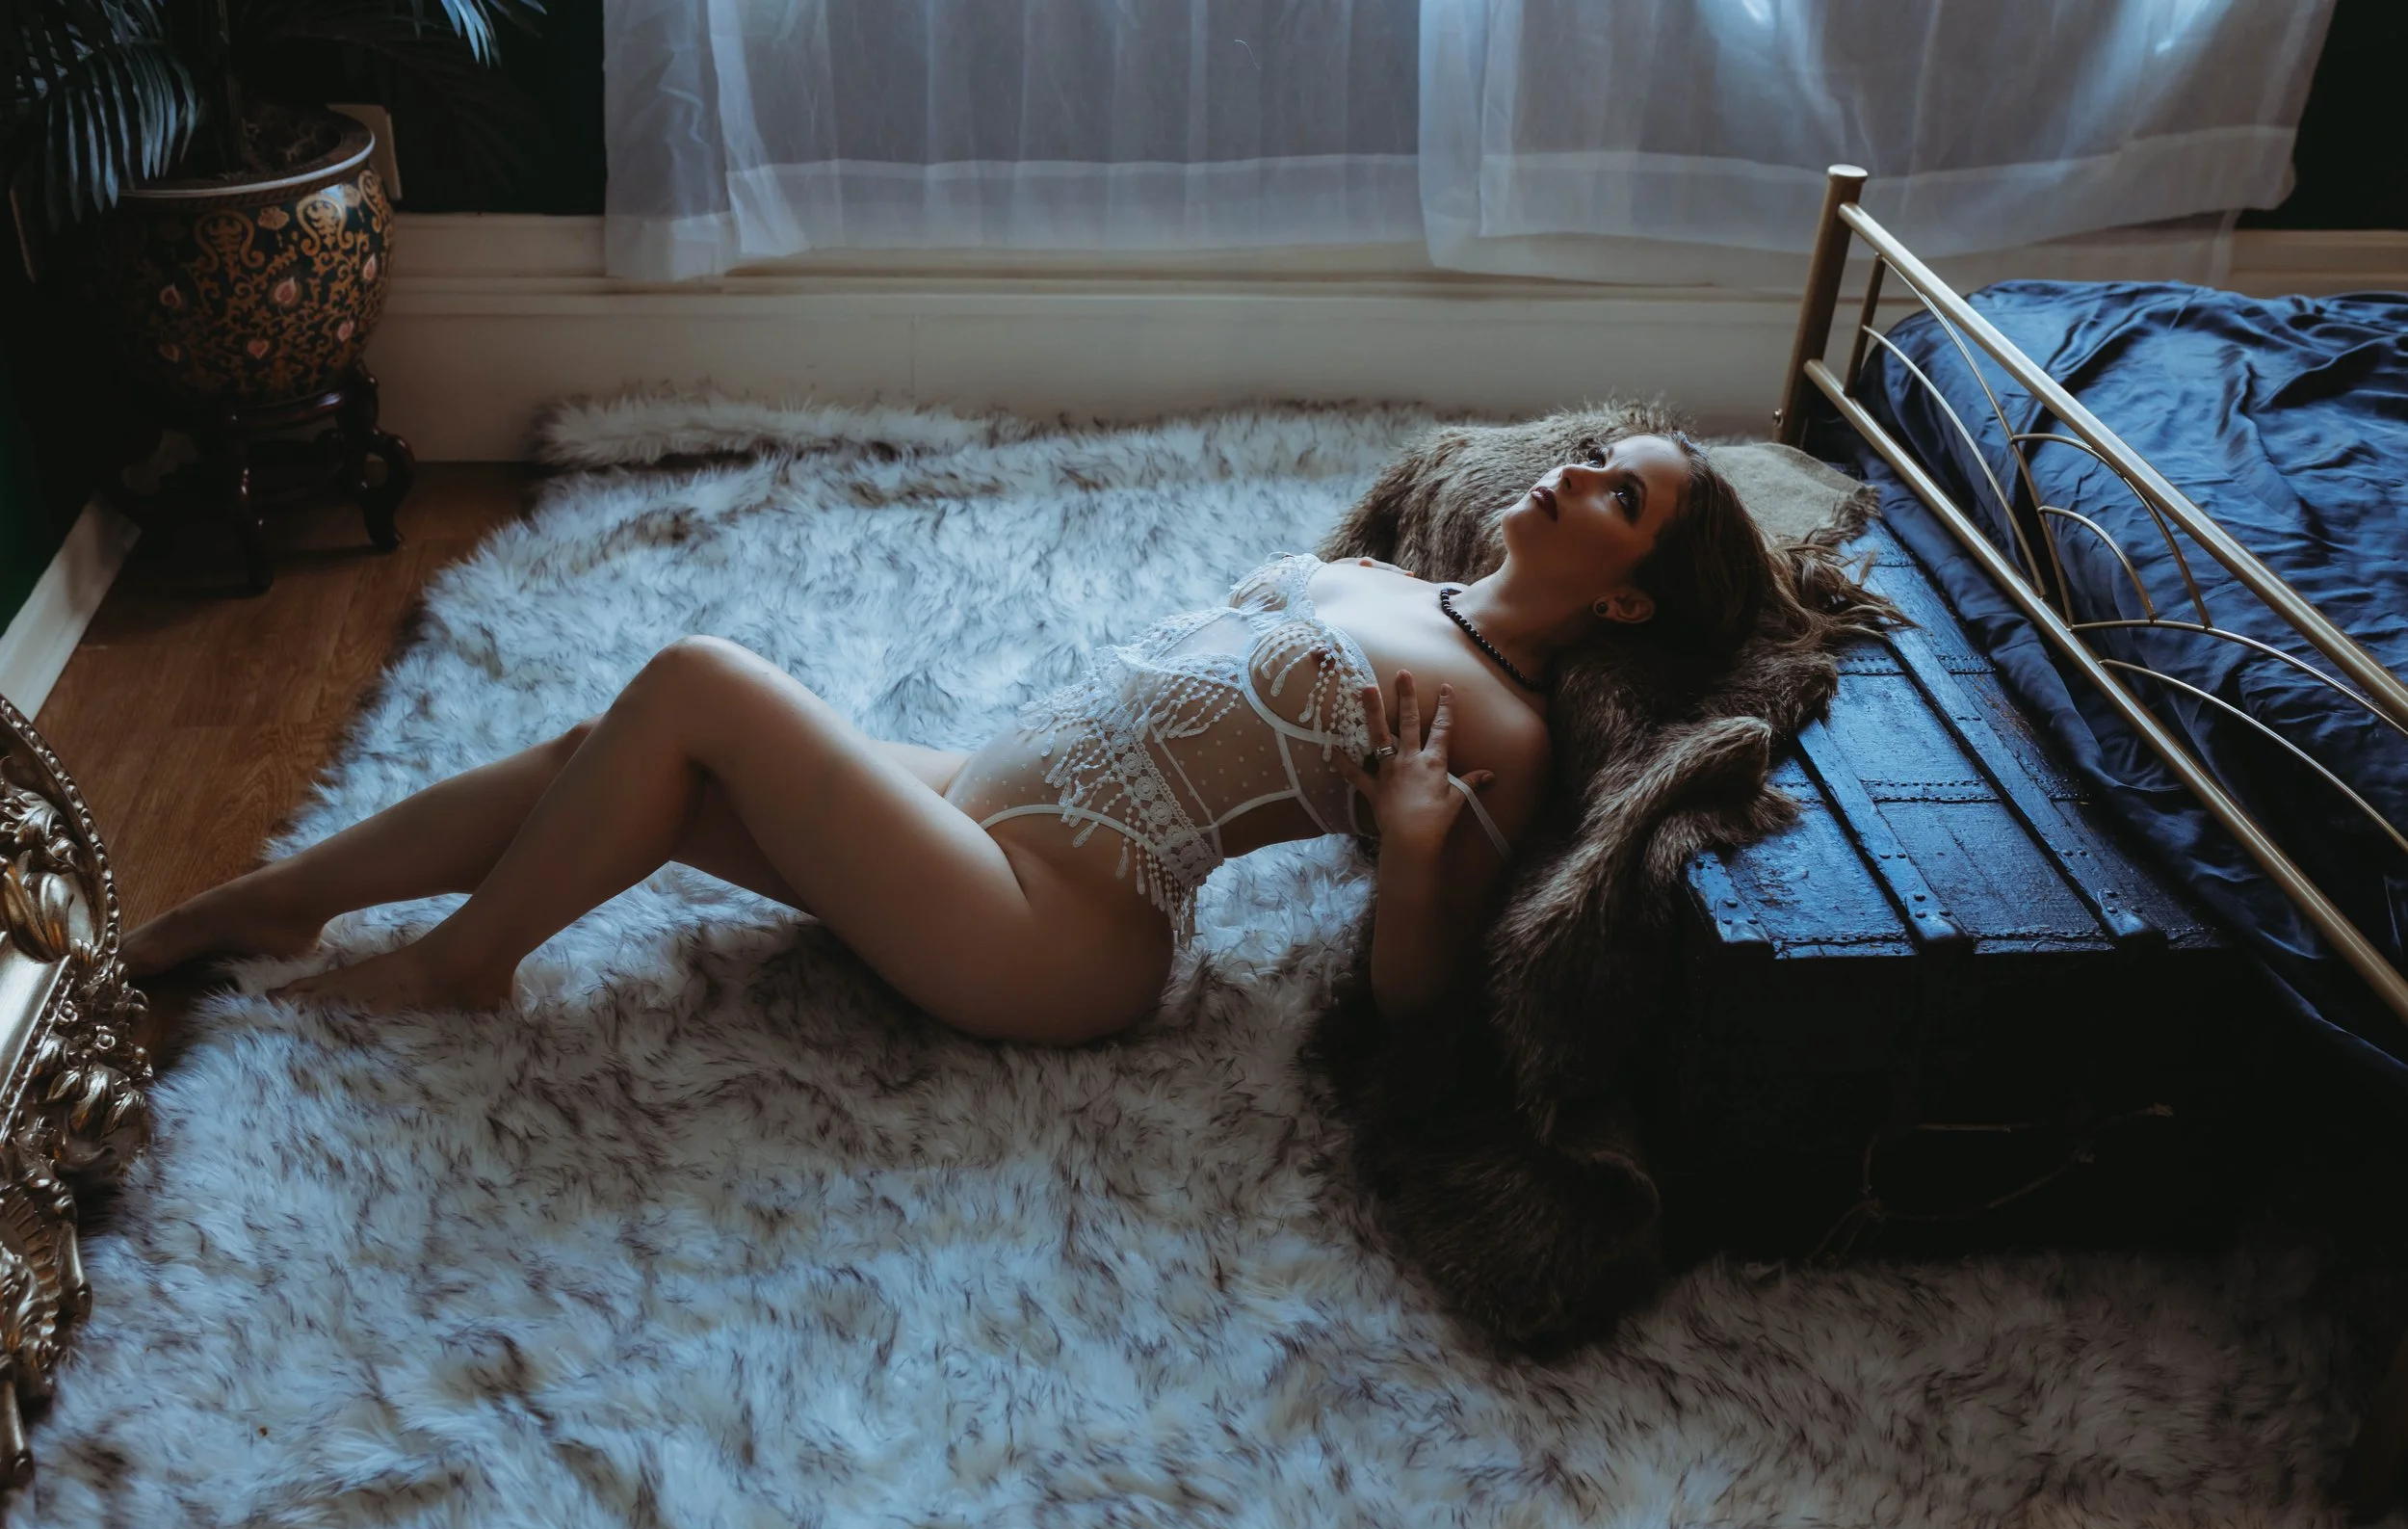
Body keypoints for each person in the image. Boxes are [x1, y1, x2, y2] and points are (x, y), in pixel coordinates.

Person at [122, 431, 1769, 1044]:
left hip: (1062, 927)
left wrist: (1412, 844)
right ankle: (280, 901)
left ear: (1630, 598)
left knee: (698, 677)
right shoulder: (1404, 577)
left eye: (1619, 494)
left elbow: (1418, 996)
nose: (1570, 476)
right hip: (992, 797)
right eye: (1598, 455)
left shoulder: (1497, 721)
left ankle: (463, 965)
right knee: (604, 743)